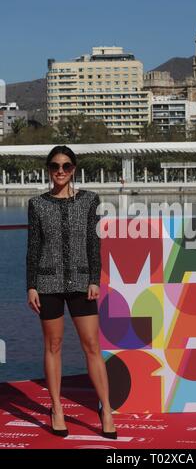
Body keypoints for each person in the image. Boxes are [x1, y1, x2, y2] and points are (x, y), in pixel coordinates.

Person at [26, 145, 117, 439]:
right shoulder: (37, 204)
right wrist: (31, 286)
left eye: (65, 166)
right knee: (53, 346)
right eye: (55, 166)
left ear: (74, 169)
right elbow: (33, 248)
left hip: (81, 283)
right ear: (48, 169)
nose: (60, 171)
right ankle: (56, 409)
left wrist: (94, 278)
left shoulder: (90, 200)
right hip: (48, 283)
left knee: (92, 346)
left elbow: (94, 244)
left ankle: (106, 410)